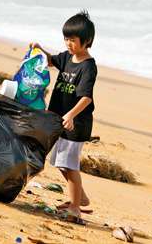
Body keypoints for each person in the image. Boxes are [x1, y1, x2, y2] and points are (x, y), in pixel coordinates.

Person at [30, 11, 98, 222]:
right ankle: (80, 197)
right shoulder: (67, 57)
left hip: (75, 123)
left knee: (69, 164)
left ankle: (76, 207)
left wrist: (70, 115)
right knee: (60, 162)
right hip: (61, 119)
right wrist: (39, 49)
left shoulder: (88, 66)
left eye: (73, 40)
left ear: (86, 41)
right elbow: (51, 61)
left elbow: (86, 97)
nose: (68, 44)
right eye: (66, 39)